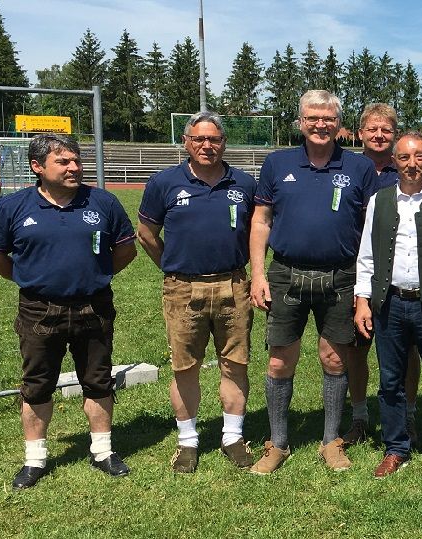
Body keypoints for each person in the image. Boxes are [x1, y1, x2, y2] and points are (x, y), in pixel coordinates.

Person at [0, 134, 137, 489]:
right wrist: (29, 278)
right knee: (37, 383)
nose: (74, 167)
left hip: (94, 307)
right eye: (64, 162)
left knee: (98, 379)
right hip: (38, 310)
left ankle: (102, 451)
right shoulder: (12, 207)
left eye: (76, 161)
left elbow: (126, 251)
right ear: (37, 167)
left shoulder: (103, 202)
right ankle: (35, 458)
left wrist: (95, 277)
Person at [248, 89, 375, 474]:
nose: (321, 125)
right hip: (286, 274)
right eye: (313, 118)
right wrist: (258, 274)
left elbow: (371, 229)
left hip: (341, 276)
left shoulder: (359, 168)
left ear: (340, 124)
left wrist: (364, 287)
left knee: (334, 358)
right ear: (300, 122)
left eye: (328, 119)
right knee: (279, 360)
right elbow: (260, 220)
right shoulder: (277, 163)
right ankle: (278, 443)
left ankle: (330, 441)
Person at [137, 112, 257, 473]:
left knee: (235, 363)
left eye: (214, 139)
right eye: (199, 139)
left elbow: (258, 231)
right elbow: (146, 234)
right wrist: (172, 266)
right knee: (185, 365)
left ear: (224, 143)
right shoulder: (164, 183)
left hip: (234, 285)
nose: (207, 145)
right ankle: (188, 441)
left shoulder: (244, 183)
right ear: (186, 142)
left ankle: (232, 436)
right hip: (183, 288)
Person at [353, 132, 422, 483]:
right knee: (390, 382)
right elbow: (367, 255)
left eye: (419, 157)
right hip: (390, 304)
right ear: (394, 162)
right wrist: (362, 300)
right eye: (404, 158)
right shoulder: (379, 201)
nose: (412, 164)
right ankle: (395, 447)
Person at [344, 103, 401, 447]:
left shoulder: (406, 167)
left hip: (400, 273)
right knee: (356, 346)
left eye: (386, 130)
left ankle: (407, 414)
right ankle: (360, 416)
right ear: (360, 133)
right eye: (373, 129)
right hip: (356, 270)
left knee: (405, 350)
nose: (379, 135)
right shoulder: (347, 169)